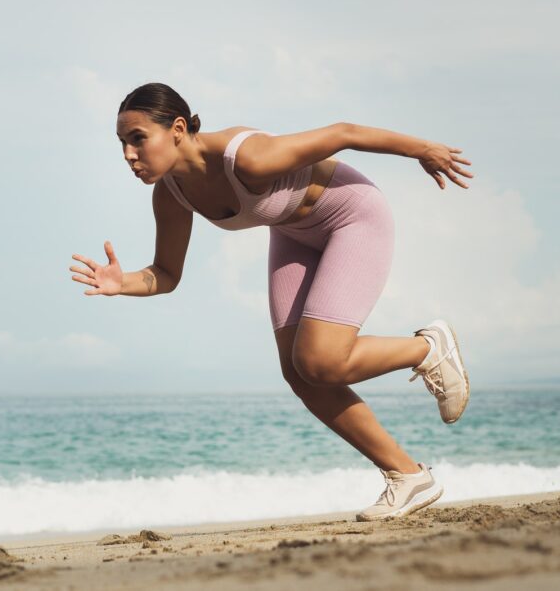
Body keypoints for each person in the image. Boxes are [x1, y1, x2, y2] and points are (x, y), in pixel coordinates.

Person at [69, 83, 474, 521]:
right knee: (299, 372)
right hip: (293, 232)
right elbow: (166, 274)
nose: (128, 154)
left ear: (178, 129)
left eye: (137, 138)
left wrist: (424, 150)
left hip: (352, 216)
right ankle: (408, 476)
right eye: (122, 143)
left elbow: (344, 132)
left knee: (321, 361)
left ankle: (428, 348)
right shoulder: (171, 193)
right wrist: (121, 282)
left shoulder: (247, 157)